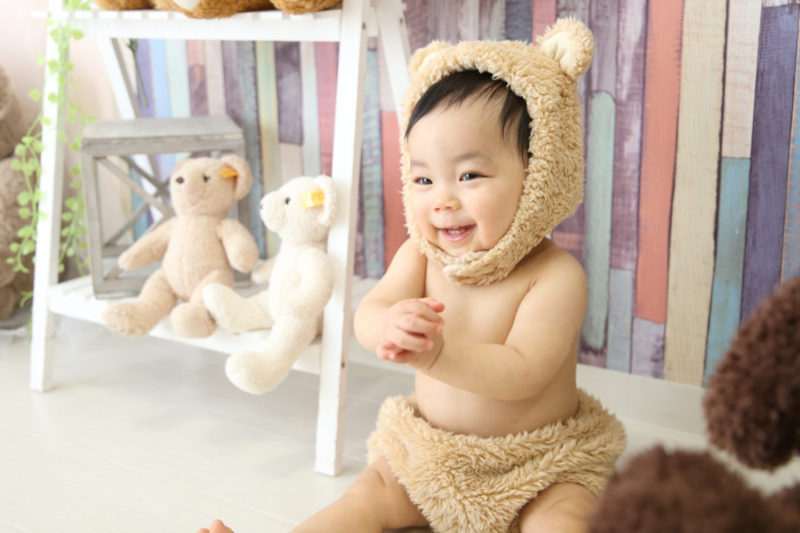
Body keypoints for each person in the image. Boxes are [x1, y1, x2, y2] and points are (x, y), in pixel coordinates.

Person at [198, 18, 626, 533]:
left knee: (563, 517)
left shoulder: (555, 275)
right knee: (367, 496)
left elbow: (523, 371)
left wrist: (438, 357)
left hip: (539, 464)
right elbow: (369, 314)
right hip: (432, 454)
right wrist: (387, 325)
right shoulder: (421, 257)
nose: (442, 199)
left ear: (540, 174)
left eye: (469, 175)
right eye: (423, 178)